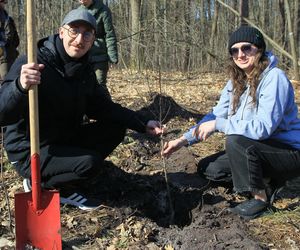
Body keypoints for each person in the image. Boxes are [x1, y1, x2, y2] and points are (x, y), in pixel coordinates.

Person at [0, 9, 163, 211]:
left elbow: (103, 108)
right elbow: (2, 113)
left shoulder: (84, 70)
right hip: (29, 150)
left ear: (93, 38)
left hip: (61, 138)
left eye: (87, 34)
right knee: (90, 164)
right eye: (74, 31)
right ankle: (43, 183)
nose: (79, 39)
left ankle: (64, 173)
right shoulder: (33, 63)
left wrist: (142, 122)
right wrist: (20, 87)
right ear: (61, 32)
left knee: (115, 128)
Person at [162, 26, 300, 220]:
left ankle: (260, 200)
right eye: (234, 50)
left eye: (246, 48)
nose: (240, 54)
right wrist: (182, 141)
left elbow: (262, 129)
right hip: (255, 149)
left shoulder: (274, 78)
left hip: (288, 151)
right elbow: (214, 116)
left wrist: (220, 124)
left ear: (259, 49)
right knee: (209, 168)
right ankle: (268, 181)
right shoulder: (236, 81)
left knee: (235, 140)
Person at [78, 0, 118, 98]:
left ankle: (109, 110)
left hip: (100, 56)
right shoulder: (78, 12)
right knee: (84, 85)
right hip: (83, 55)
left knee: (100, 85)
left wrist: (112, 56)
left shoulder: (103, 10)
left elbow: (109, 35)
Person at [0, 0, 19, 82]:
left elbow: (14, 39)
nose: (3, 4)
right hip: (5, 55)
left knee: (7, 80)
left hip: (6, 55)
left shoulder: (7, 18)